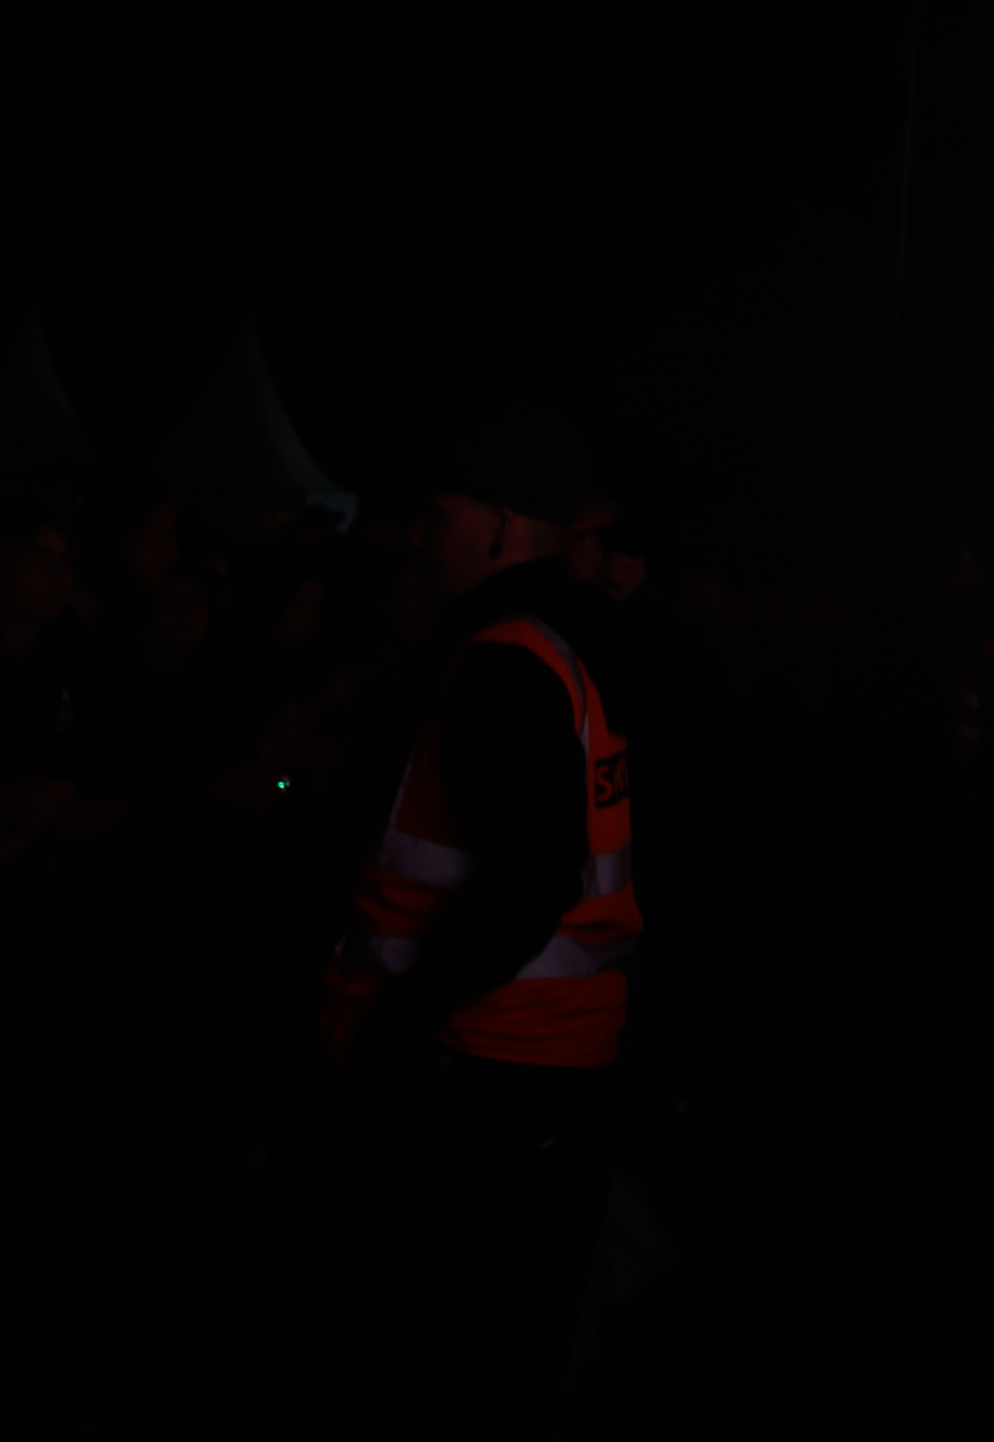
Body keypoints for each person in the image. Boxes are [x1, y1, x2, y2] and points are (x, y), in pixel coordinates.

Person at [321, 415, 639, 1415]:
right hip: (545, 1073)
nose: (418, 537)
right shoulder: (568, 645)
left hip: (480, 1083)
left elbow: (528, 880)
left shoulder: (502, 659)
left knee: (433, 1369)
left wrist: (401, 1023)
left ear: (497, 529)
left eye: (437, 515)